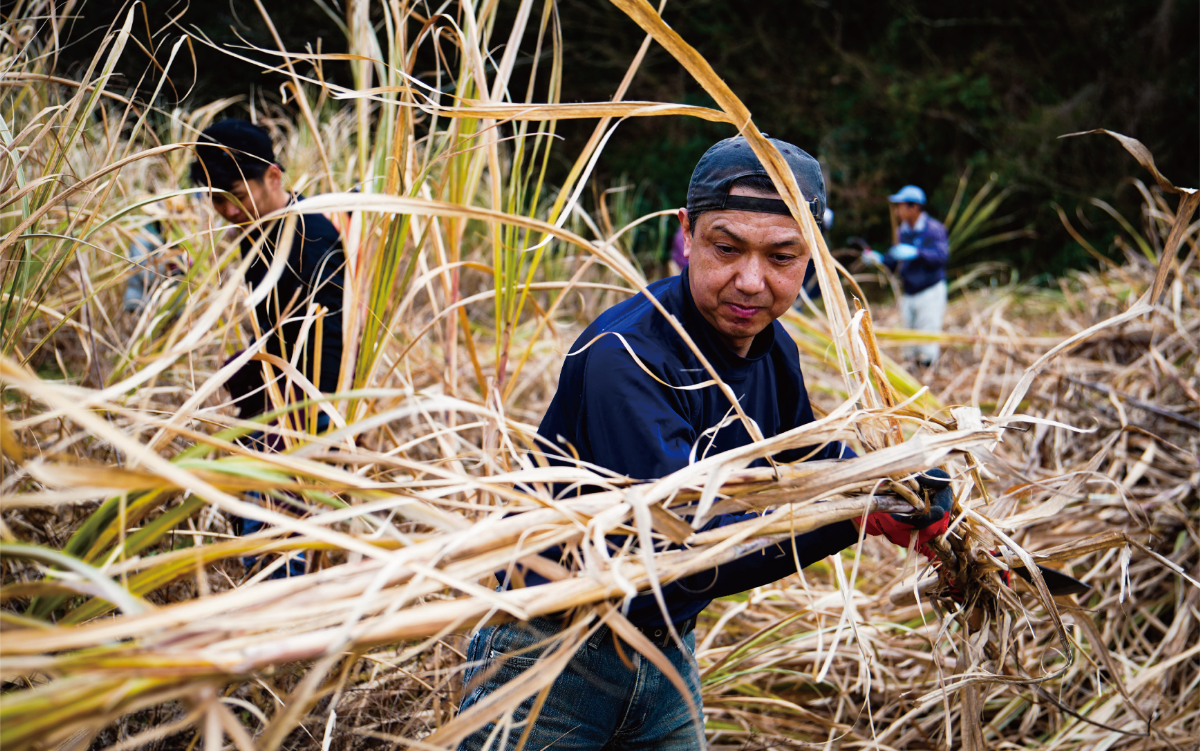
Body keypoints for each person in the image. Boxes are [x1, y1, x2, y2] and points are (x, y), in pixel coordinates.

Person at [457, 136, 954, 750]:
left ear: (813, 258)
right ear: (686, 233)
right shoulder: (628, 357)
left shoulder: (776, 353)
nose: (751, 281)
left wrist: (896, 485)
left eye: (782, 257)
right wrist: (856, 516)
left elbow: (804, 460)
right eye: (727, 248)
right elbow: (682, 552)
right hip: (552, 657)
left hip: (665, 652)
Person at [190, 119, 347, 578]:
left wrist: (300, 423)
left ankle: (279, 604)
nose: (228, 211)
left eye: (236, 195)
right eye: (216, 201)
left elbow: (331, 338)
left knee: (275, 523)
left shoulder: (312, 239)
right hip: (278, 395)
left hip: (307, 403)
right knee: (255, 511)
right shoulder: (259, 226)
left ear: (273, 177)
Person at [862, 185, 949, 366]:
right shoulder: (902, 231)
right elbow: (894, 260)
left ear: (914, 207)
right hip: (909, 291)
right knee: (908, 342)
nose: (897, 211)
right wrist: (878, 259)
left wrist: (917, 252)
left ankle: (927, 378)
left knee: (926, 339)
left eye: (900, 206)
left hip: (929, 291)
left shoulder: (934, 229)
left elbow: (941, 257)